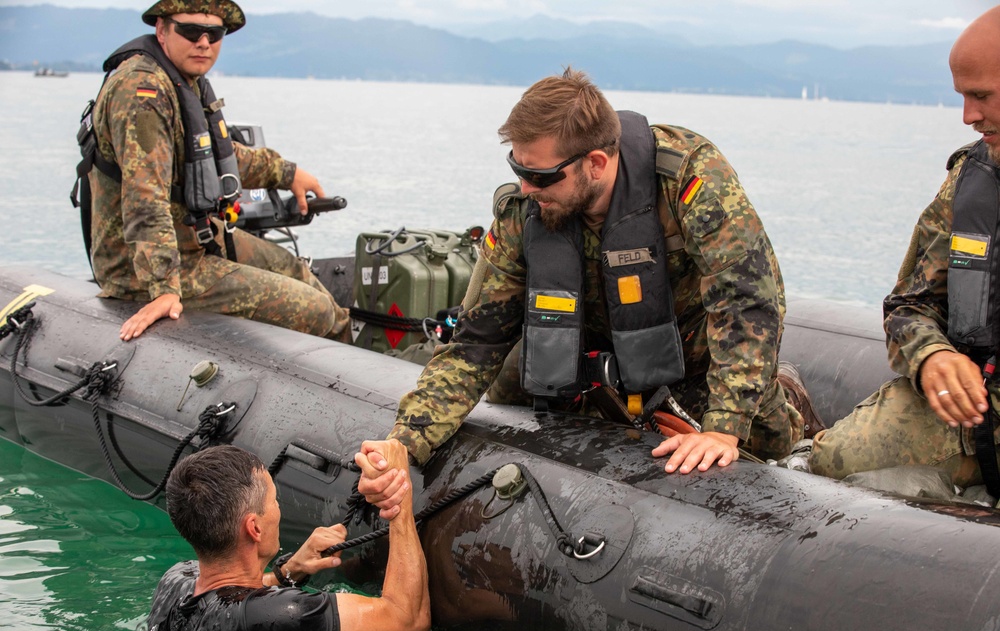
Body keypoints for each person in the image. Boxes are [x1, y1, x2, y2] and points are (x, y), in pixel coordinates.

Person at [368, 67, 804, 491]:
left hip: (692, 358)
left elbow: (747, 302)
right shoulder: (525, 212)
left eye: (539, 176)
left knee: (769, 442)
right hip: (588, 358)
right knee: (506, 387)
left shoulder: (689, 179)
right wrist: (405, 444)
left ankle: (787, 389)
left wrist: (723, 427)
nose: (524, 188)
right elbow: (474, 344)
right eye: (517, 169)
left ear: (595, 163)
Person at [808, 6, 1000, 490]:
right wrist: (933, 355)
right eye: (962, 98)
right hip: (980, 407)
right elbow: (908, 305)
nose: (968, 117)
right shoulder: (969, 182)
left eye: (982, 97)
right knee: (836, 460)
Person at [87, 0, 350, 342]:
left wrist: (286, 173)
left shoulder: (183, 81)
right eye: (191, 30)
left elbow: (217, 154)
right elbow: (145, 201)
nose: (204, 43)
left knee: (294, 268)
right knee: (317, 310)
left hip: (194, 240)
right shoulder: (142, 92)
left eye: (215, 33)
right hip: (145, 268)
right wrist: (164, 288)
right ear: (162, 30)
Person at [145, 441, 429, 631]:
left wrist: (289, 570)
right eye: (274, 500)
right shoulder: (281, 615)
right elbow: (407, 618)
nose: (278, 509)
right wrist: (399, 497)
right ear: (254, 528)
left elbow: (227, 597)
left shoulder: (176, 581)